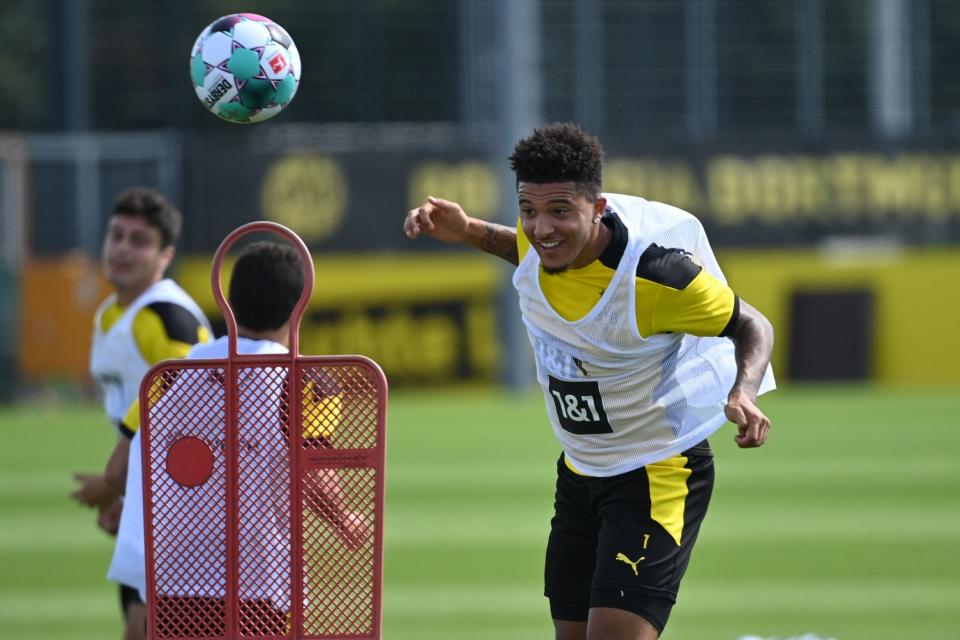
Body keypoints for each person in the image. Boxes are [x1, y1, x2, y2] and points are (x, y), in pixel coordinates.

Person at [403, 122, 775, 640]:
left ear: (597, 209)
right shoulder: (543, 239)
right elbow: (531, 251)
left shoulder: (657, 276)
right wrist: (468, 231)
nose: (541, 227)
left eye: (560, 211)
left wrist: (744, 390)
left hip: (655, 470)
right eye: (528, 210)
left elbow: (752, 323)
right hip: (579, 474)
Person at [107, 241, 370, 636]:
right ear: (300, 306)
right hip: (259, 586)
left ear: (228, 299)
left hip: (172, 584)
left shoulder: (167, 377)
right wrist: (344, 517)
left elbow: (118, 470)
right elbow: (311, 473)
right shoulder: (307, 384)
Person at [71, 187, 211, 640]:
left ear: (165, 255)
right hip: (147, 501)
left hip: (183, 513)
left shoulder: (168, 319)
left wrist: (113, 482)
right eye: (117, 235)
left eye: (140, 240)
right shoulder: (113, 313)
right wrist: (123, 492)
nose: (123, 249)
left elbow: (194, 420)